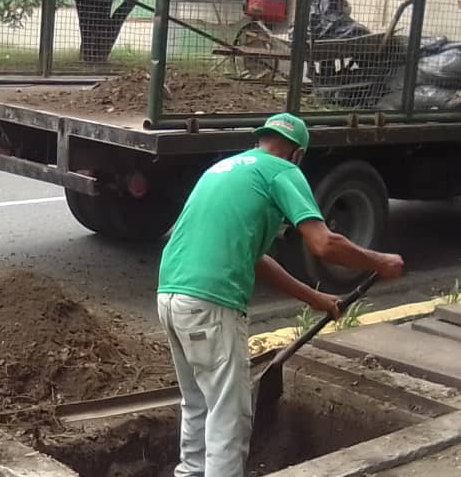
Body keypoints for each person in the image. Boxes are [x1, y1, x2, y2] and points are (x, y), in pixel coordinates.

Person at [155, 113, 404, 477]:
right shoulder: (283, 171)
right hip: (211, 301)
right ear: (297, 153)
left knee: (198, 402)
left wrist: (316, 299)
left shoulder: (227, 168)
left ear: (262, 139)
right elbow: (324, 243)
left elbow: (257, 261)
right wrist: (378, 260)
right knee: (228, 415)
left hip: (171, 295)